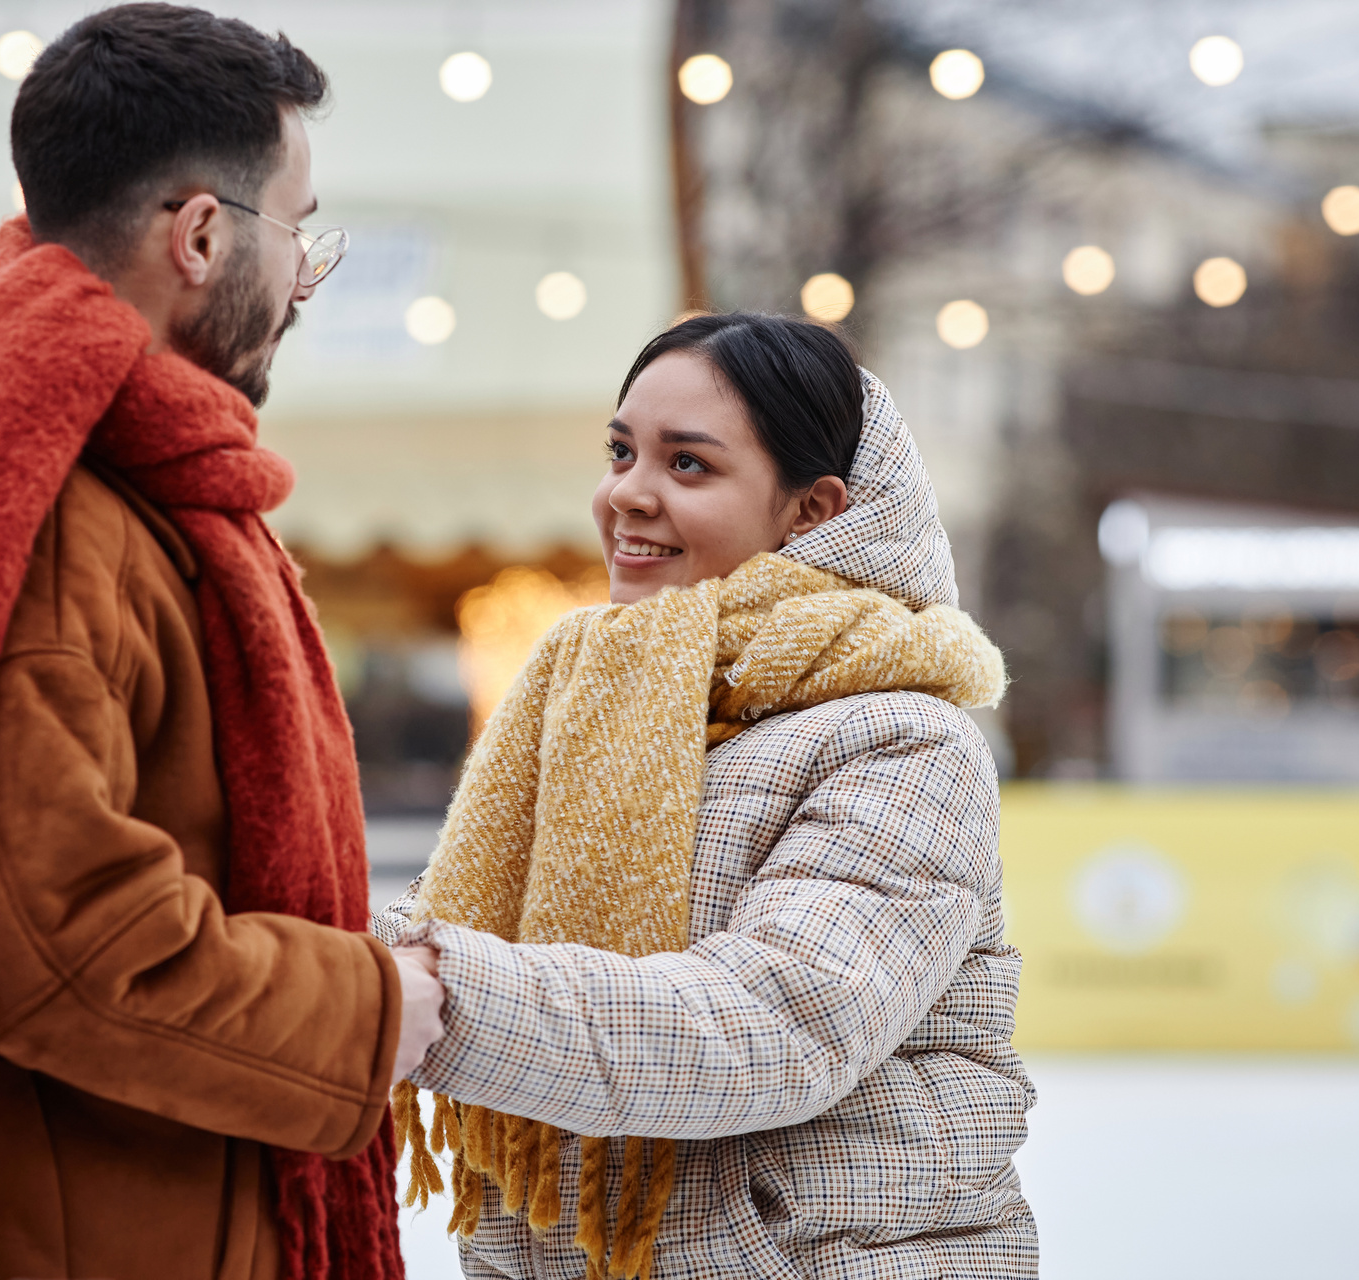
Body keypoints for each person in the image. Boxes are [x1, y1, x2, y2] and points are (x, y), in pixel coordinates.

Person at [0, 7, 443, 1279]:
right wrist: (375, 1009)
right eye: (300, 232)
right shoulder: (58, 515)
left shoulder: (79, 480)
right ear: (200, 235)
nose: (304, 278)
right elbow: (69, 943)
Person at [379, 313, 1036, 1279]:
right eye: (621, 451)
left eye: (688, 466)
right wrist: (322, 955)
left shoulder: (905, 743)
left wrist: (436, 990)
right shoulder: (592, 697)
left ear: (812, 510)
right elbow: (464, 921)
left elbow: (771, 1027)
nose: (626, 496)